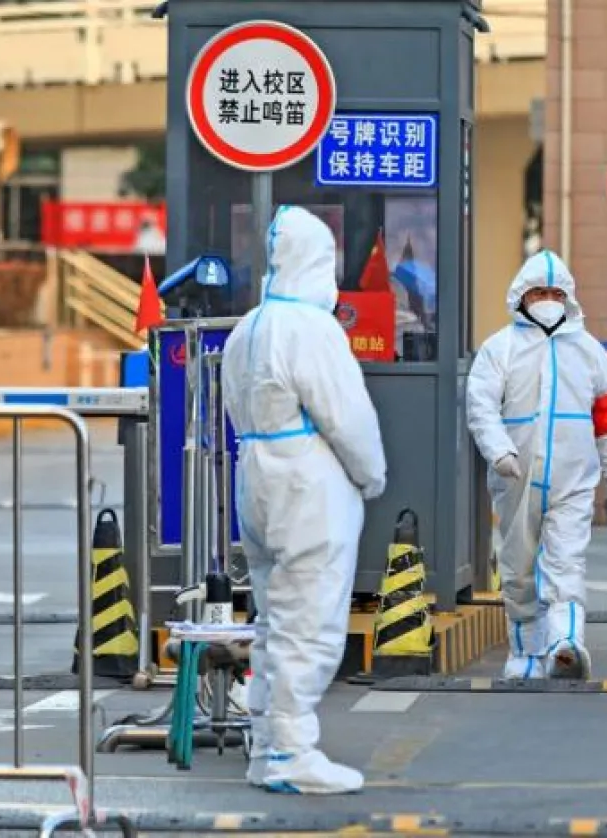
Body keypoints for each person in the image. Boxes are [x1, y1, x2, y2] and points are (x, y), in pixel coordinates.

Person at [222, 206, 387, 795]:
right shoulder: (313, 330)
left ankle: (267, 744)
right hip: (307, 489)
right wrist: (371, 476)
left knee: (273, 621)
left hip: (256, 480)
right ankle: (293, 754)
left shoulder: (247, 329)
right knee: (309, 622)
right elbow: (347, 418)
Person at [465, 249, 607, 679]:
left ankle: (566, 643)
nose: (547, 300)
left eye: (555, 293)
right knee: (518, 568)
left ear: (568, 298)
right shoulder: (500, 349)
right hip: (515, 476)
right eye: (539, 292)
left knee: (566, 560)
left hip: (572, 477)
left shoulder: (589, 351)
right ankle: (525, 652)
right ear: (521, 296)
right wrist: (499, 450)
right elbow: (481, 407)